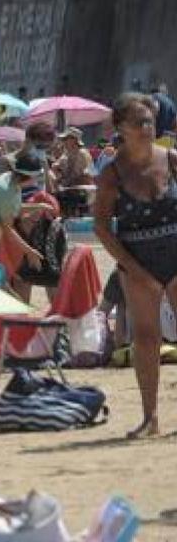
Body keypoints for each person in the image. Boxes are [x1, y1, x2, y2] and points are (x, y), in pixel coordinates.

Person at [94, 93, 173, 439]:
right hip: (137, 261)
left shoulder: (171, 159)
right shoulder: (112, 174)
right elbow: (100, 227)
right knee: (145, 338)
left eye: (150, 122)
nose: (146, 128)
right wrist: (133, 269)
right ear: (121, 128)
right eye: (139, 123)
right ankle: (150, 417)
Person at [0, 150, 47, 292]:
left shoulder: (8, 177)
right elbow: (8, 228)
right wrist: (29, 251)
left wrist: (38, 206)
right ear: (30, 176)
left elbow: (13, 209)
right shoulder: (7, 191)